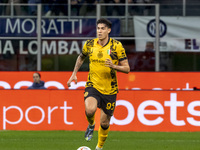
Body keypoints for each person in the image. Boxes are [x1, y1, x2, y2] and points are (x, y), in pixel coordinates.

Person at [67, 18, 130, 150]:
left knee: (104, 123)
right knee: (90, 110)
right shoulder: (90, 44)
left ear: (108, 30)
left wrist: (114, 66)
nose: (99, 31)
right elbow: (81, 57)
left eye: (102, 28)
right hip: (93, 85)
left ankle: (99, 148)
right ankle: (91, 125)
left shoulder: (116, 46)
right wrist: (74, 73)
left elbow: (127, 68)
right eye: (98, 28)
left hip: (110, 89)